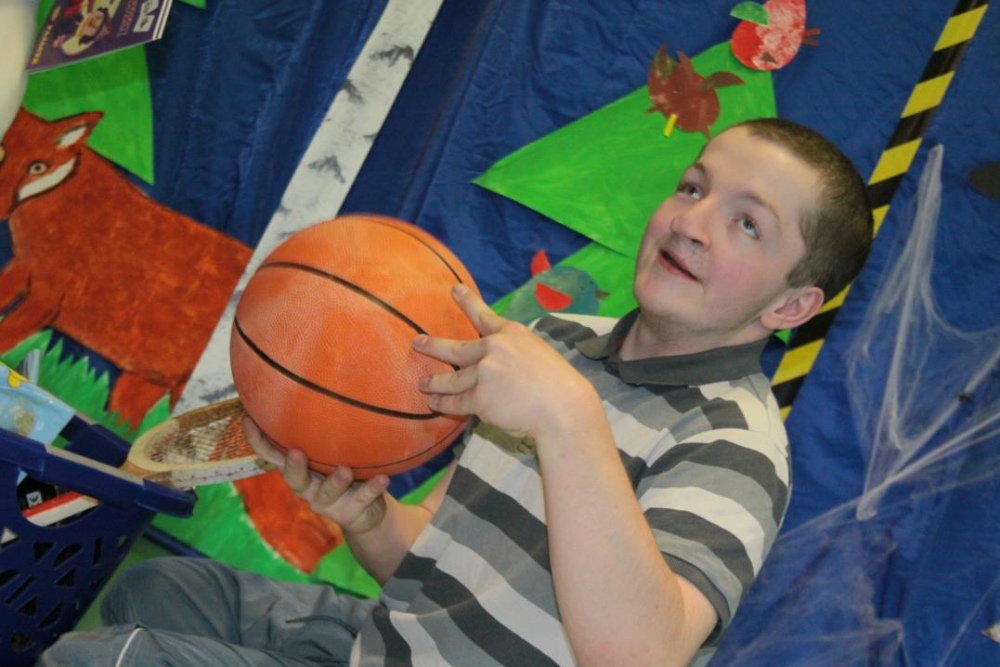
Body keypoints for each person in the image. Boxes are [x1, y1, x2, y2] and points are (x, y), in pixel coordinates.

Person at [40, 117, 873, 666]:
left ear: (790, 307)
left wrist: (569, 419)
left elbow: (640, 652)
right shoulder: (558, 342)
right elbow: (433, 567)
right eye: (693, 187)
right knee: (153, 588)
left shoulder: (736, 447)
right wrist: (369, 516)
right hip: (388, 642)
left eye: (747, 223)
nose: (692, 221)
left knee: (101, 661)